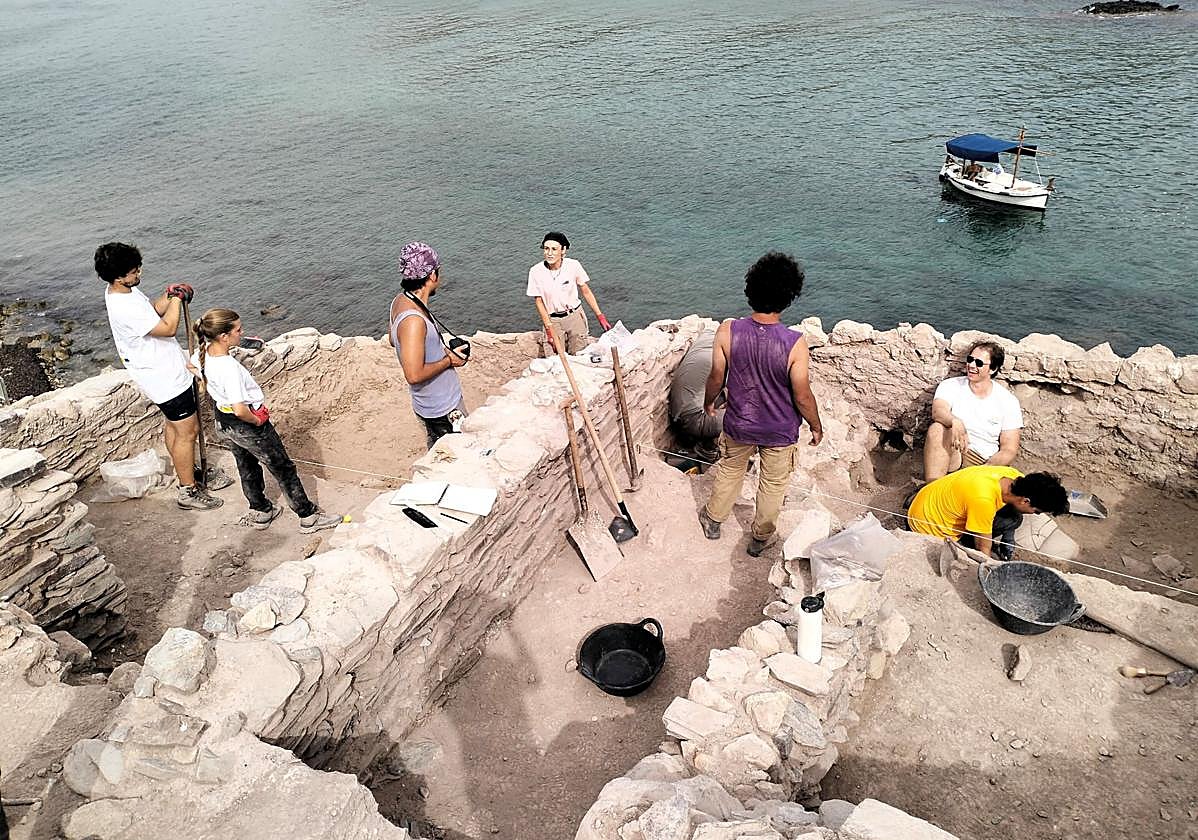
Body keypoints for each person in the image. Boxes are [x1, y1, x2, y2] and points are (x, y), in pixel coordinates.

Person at [698, 252, 823, 557]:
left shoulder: (727, 330)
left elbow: (716, 375)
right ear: (789, 296)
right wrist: (816, 426)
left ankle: (714, 520)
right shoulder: (795, 342)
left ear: (750, 290)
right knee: (773, 481)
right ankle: (760, 537)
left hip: (740, 422)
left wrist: (709, 403)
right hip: (779, 428)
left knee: (730, 469)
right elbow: (802, 395)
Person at [96, 242, 229, 511]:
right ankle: (188, 490)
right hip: (163, 378)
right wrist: (178, 302)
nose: (139, 273)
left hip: (164, 371)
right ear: (119, 276)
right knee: (187, 432)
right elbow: (168, 328)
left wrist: (169, 295)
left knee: (175, 427)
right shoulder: (124, 307)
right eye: (134, 271)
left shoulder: (122, 291)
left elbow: (153, 310)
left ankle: (190, 471)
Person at [192, 309, 342, 532]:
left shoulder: (202, 354)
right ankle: (308, 516)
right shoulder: (229, 368)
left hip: (223, 421)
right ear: (224, 336)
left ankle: (261, 509)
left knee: (246, 464)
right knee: (282, 467)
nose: (242, 333)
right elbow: (240, 409)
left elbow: (192, 367)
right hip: (244, 423)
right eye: (238, 330)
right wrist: (256, 420)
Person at [389, 241, 469, 448]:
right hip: (442, 409)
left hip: (433, 405)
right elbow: (413, 375)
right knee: (457, 460)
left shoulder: (400, 300)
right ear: (432, 275)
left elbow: (393, 339)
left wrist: (437, 350)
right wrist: (448, 360)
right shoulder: (414, 320)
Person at [908, 466, 1068, 560]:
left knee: (1013, 518)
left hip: (930, 500)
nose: (1034, 514)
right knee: (983, 552)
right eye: (1036, 511)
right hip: (928, 528)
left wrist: (1008, 538)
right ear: (1025, 501)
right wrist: (990, 564)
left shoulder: (1012, 475)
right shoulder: (983, 500)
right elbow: (983, 548)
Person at [923, 341, 1022, 482]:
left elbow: (1009, 449)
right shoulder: (951, 385)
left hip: (984, 462)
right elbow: (938, 411)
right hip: (956, 452)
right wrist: (955, 421)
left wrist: (985, 469)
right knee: (937, 429)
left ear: (993, 369)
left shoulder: (1008, 401)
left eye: (979, 363)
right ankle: (932, 490)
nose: (972, 365)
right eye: (970, 360)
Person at [527, 232, 611, 354]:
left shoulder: (573, 265)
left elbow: (586, 291)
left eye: (554, 249)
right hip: (553, 320)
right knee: (554, 358)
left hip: (575, 317)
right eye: (546, 249)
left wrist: (600, 315)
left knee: (579, 356)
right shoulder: (535, 271)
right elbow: (539, 302)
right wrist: (549, 329)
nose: (549, 253)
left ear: (563, 250)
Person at [669, 329, 723, 462]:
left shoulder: (706, 340)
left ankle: (701, 440)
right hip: (693, 421)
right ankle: (706, 447)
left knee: (724, 396)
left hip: (677, 417)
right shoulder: (718, 360)